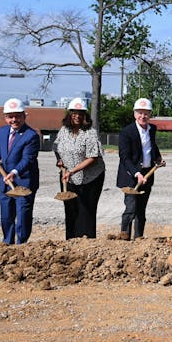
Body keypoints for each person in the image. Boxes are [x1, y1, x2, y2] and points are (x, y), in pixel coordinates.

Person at [0, 98, 40, 245]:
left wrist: (15, 172)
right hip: (5, 181)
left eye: (17, 116)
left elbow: (28, 159)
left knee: (23, 215)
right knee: (6, 215)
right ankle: (7, 243)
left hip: (24, 181)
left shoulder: (31, 135)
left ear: (24, 115)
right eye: (10, 116)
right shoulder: (2, 131)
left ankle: (21, 245)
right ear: (5, 117)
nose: (14, 120)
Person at [53, 97, 106, 239]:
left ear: (85, 116)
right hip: (68, 177)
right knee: (70, 209)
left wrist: (73, 170)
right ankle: (71, 240)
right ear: (69, 114)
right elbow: (56, 147)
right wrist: (59, 160)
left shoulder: (90, 133)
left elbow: (93, 157)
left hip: (91, 178)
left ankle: (86, 242)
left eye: (80, 113)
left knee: (86, 210)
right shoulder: (64, 131)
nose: (77, 116)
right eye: (74, 113)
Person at [116, 98, 164, 240]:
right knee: (130, 209)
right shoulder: (127, 132)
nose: (143, 116)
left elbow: (151, 147)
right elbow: (124, 157)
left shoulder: (152, 129)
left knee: (141, 210)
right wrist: (137, 173)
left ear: (150, 114)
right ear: (134, 114)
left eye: (146, 113)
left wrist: (158, 159)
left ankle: (139, 238)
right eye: (140, 113)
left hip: (147, 174)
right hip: (131, 175)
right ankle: (124, 237)